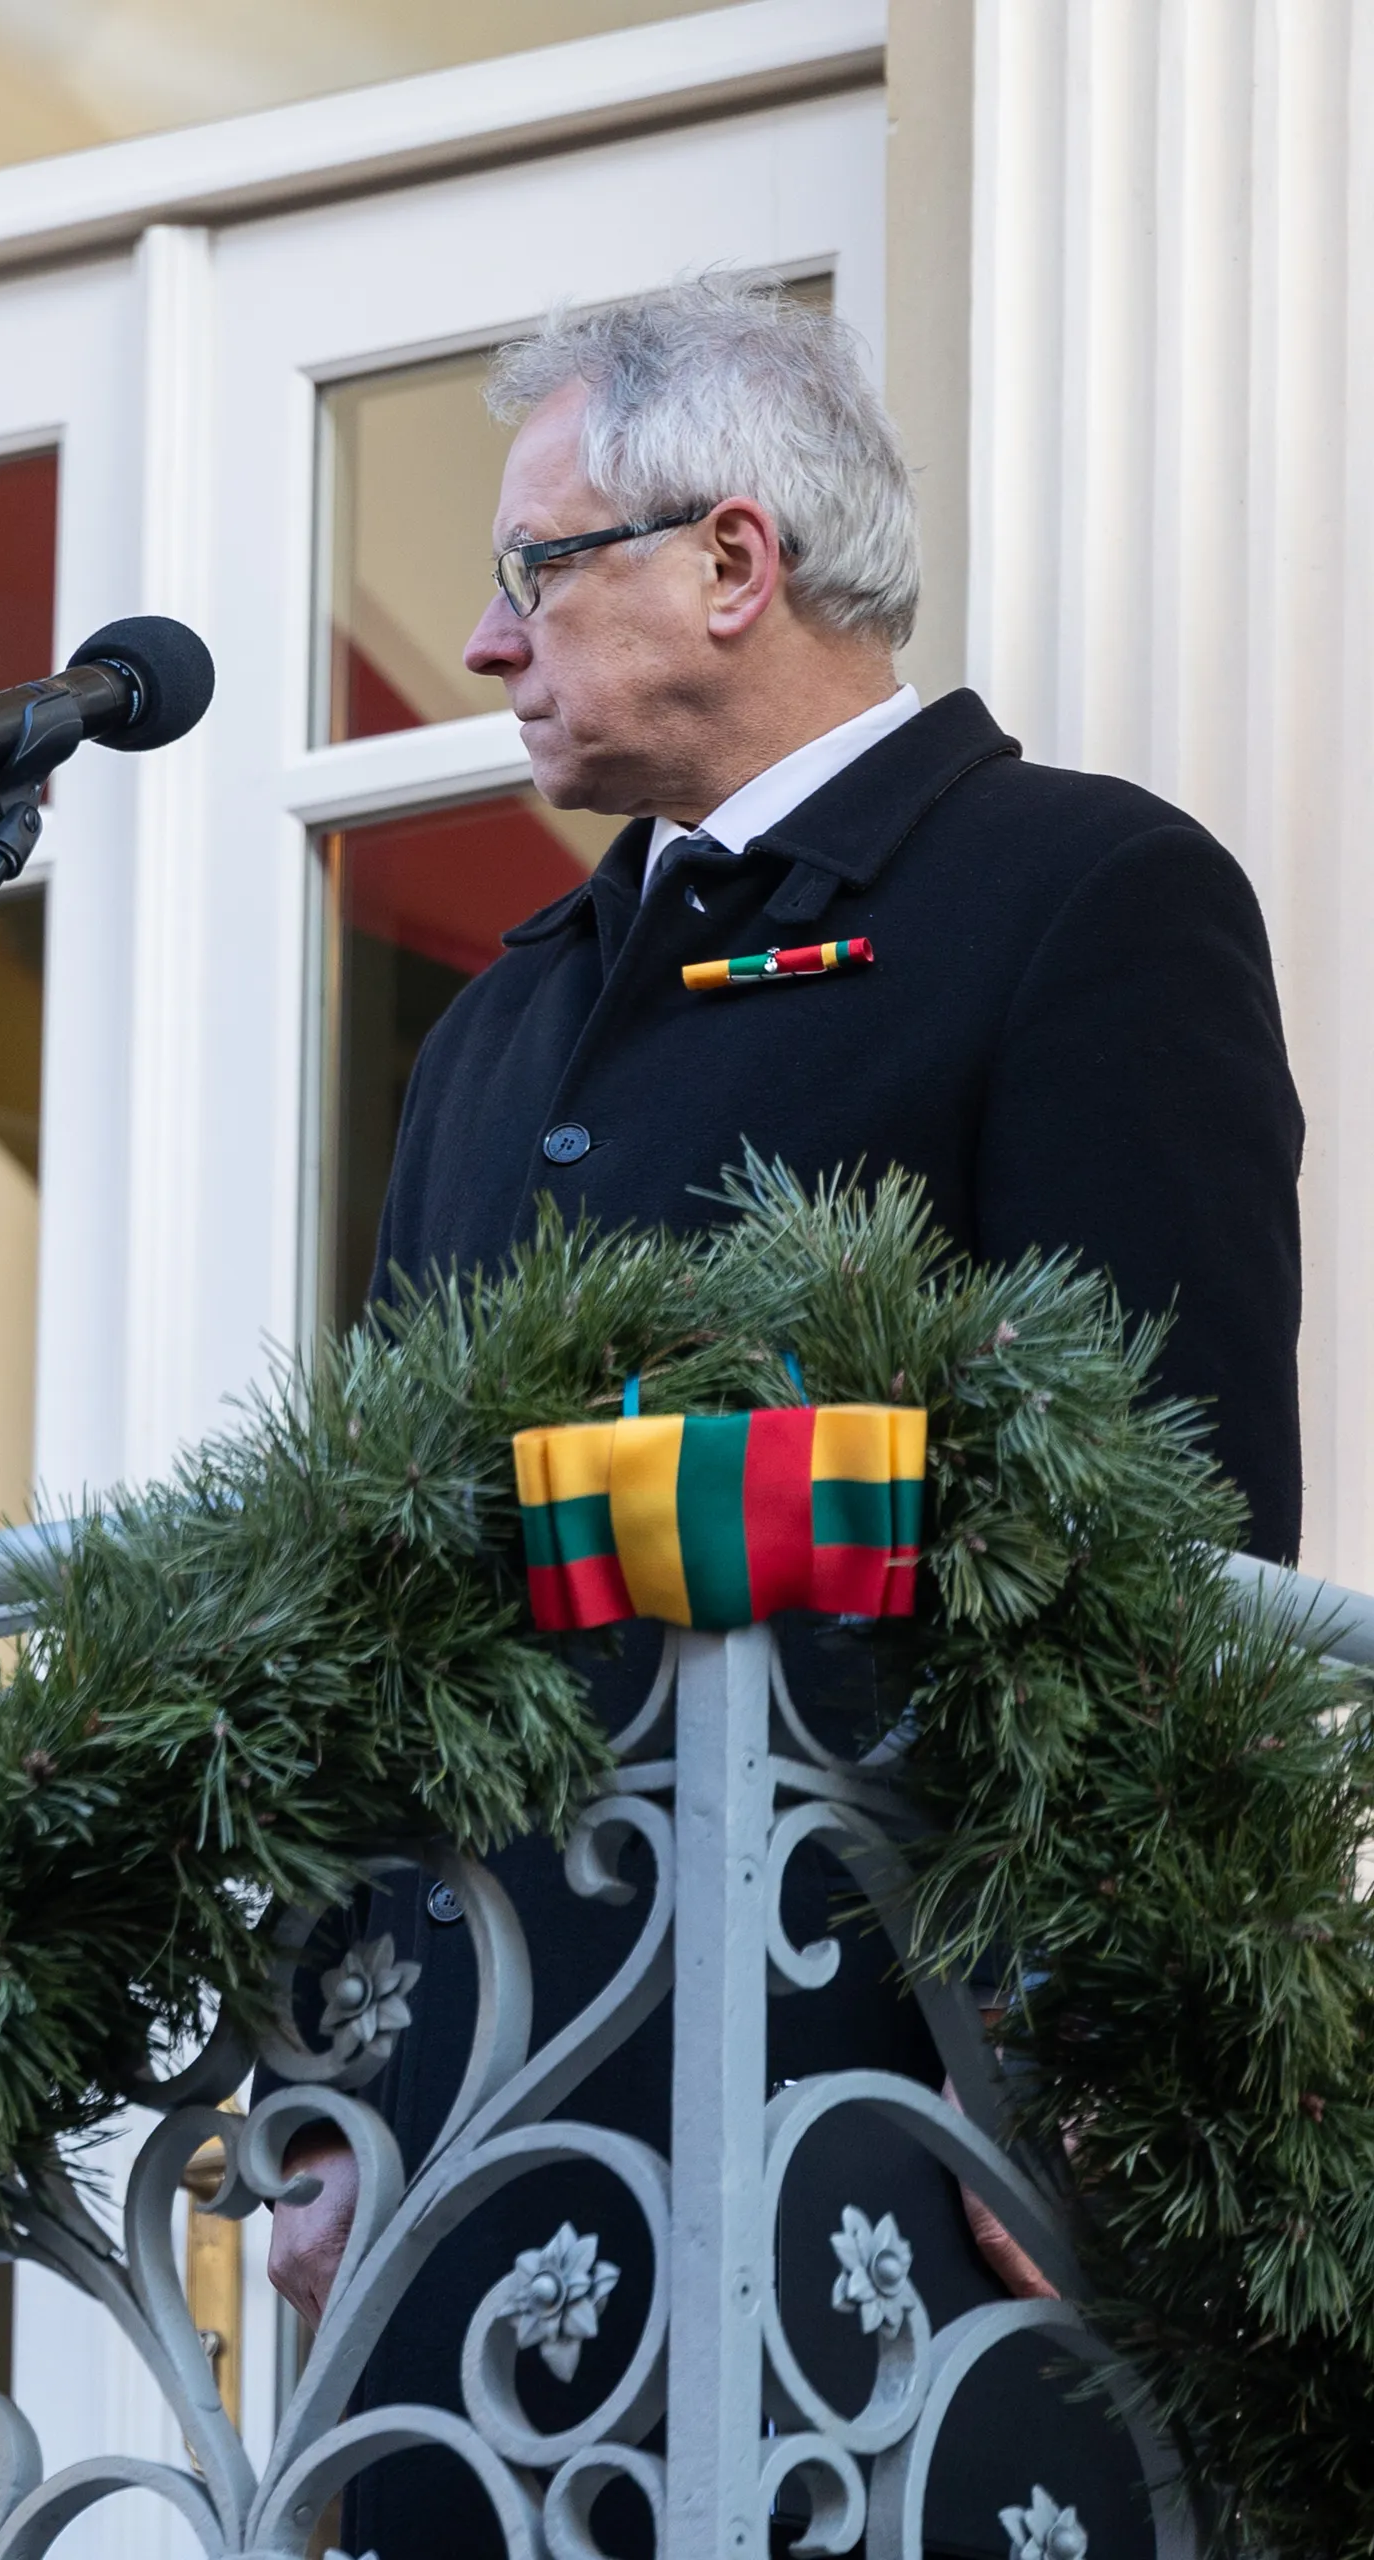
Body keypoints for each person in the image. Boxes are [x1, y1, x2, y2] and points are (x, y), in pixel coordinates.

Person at [274, 281, 1295, 2560]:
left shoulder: (1082, 900)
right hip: (488, 2143)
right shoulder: (498, 1027)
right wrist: (329, 2093)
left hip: (891, 2102)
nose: (476, 638)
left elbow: (1173, 1545)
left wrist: (1104, 2096)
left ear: (733, 563)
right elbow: (380, 1606)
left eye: (534, 568)